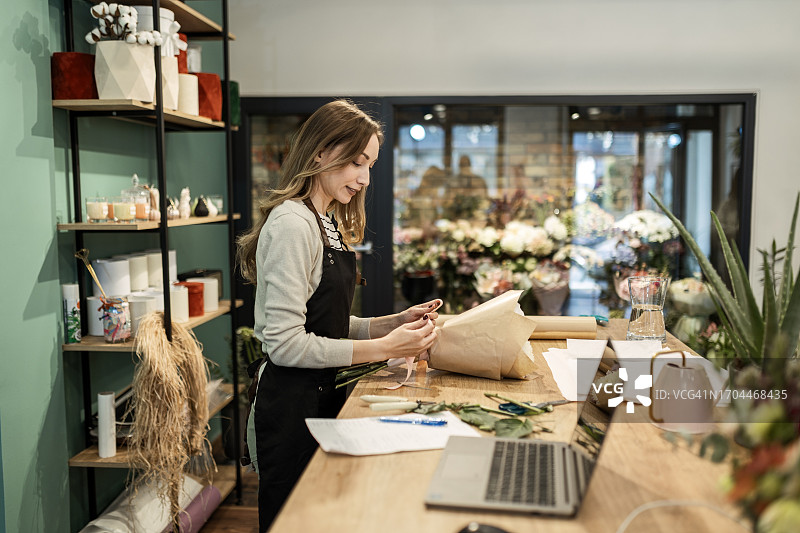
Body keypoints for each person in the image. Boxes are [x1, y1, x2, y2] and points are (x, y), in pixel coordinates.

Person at [235, 99, 440, 532]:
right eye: (356, 163)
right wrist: (383, 349)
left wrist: (393, 323)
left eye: (370, 166)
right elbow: (287, 343)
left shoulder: (324, 220)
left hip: (322, 397)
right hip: (292, 409)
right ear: (320, 153)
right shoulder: (293, 224)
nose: (365, 179)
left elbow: (322, 326)